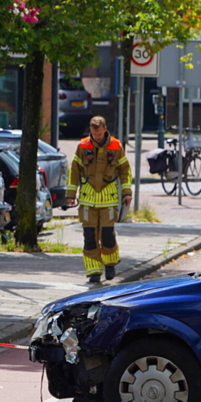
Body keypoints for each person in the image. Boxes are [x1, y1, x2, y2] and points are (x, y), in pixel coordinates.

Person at [66, 116, 132, 284]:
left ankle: (110, 262)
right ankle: (93, 271)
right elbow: (74, 171)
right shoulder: (83, 146)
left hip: (108, 198)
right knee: (89, 236)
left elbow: (125, 171)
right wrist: (71, 194)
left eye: (99, 134)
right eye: (94, 134)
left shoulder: (116, 146)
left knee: (107, 235)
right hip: (88, 199)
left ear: (104, 129)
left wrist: (126, 192)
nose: (97, 137)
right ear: (91, 130)